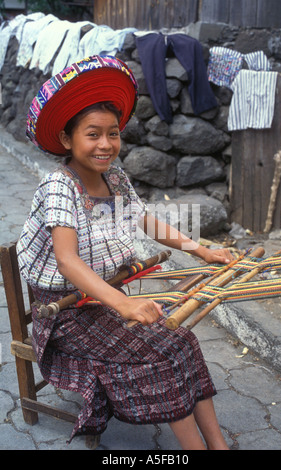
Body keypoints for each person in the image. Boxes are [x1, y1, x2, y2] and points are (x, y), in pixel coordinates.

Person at [17, 55, 232, 450]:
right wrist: (124, 304)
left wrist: (202, 250)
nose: (105, 144)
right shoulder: (57, 186)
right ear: (67, 139)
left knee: (183, 339)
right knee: (163, 354)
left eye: (113, 134)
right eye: (92, 134)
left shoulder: (113, 178)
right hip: (65, 316)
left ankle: (217, 446)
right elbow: (66, 260)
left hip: (99, 302)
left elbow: (146, 221)